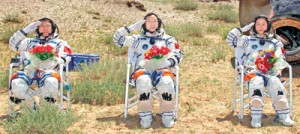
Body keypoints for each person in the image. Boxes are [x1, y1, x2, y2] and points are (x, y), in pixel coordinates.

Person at [113, 13, 183, 128]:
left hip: (162, 70)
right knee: (143, 81)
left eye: (155, 21)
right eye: (149, 21)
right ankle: (145, 116)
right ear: (144, 23)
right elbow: (117, 40)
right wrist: (130, 28)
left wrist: (169, 62)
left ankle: (167, 115)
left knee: (167, 82)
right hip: (143, 70)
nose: (152, 23)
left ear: (159, 23)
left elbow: (178, 54)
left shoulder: (168, 39)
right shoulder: (137, 39)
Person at [226, 15, 294, 128]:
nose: (260, 26)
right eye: (258, 24)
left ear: (268, 26)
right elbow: (230, 40)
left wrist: (277, 67)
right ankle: (256, 117)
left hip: (270, 72)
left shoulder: (274, 42)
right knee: (256, 83)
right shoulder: (247, 40)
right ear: (254, 26)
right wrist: (243, 30)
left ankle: (284, 115)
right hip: (251, 71)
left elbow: (280, 57)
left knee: (277, 85)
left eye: (263, 24)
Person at [9, 17, 72, 108]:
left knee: (51, 82)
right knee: (17, 83)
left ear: (53, 28)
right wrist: (25, 30)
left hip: (49, 72)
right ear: (37, 28)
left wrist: (54, 60)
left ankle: (45, 109)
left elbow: (67, 55)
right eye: (41, 26)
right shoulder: (28, 42)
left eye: (48, 26)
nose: (45, 28)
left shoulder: (59, 43)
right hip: (28, 72)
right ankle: (30, 107)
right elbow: (13, 45)